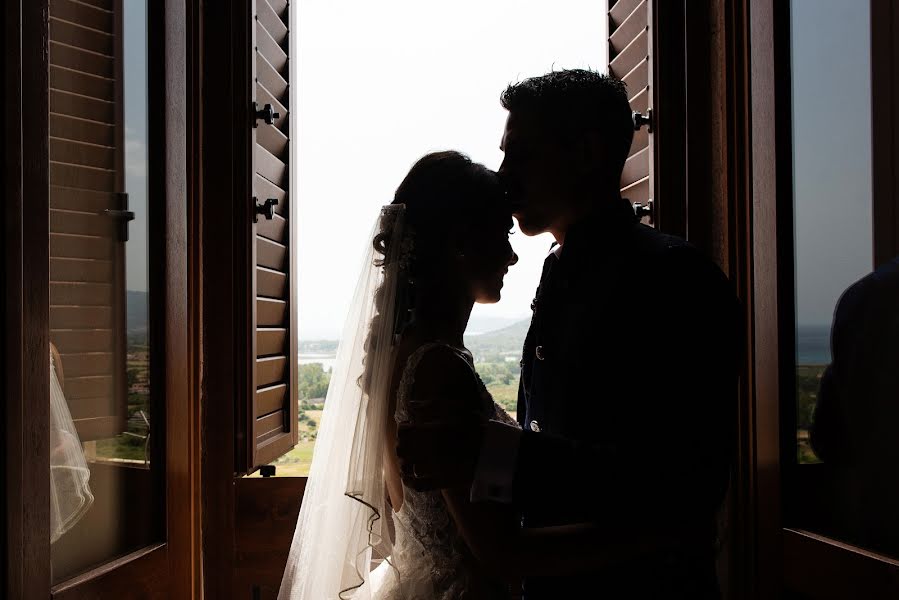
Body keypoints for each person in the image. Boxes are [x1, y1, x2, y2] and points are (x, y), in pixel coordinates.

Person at [279, 151, 684, 600]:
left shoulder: (400, 351)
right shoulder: (438, 369)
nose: (511, 256)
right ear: (460, 245)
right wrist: (656, 532)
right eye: (501, 236)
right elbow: (503, 552)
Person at [397, 70, 741, 598]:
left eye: (521, 155)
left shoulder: (674, 278)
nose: (505, 177)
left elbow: (687, 481)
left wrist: (491, 453)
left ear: (584, 152)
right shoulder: (559, 270)